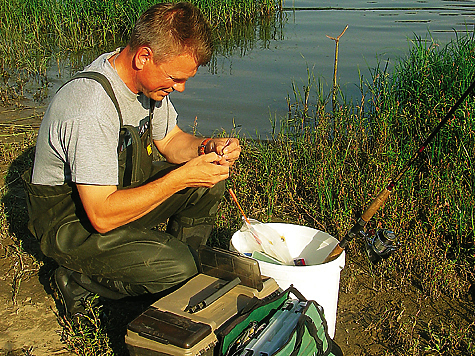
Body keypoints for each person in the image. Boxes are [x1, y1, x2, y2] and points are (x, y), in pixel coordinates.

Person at [22, 2, 241, 315]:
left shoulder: (146, 85)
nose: (180, 88)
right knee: (178, 265)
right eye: (175, 78)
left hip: (115, 197)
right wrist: (180, 177)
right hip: (71, 223)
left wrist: (209, 147)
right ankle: (78, 280)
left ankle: (179, 278)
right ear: (143, 56)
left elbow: (172, 141)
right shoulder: (90, 108)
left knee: (208, 185)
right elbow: (101, 216)